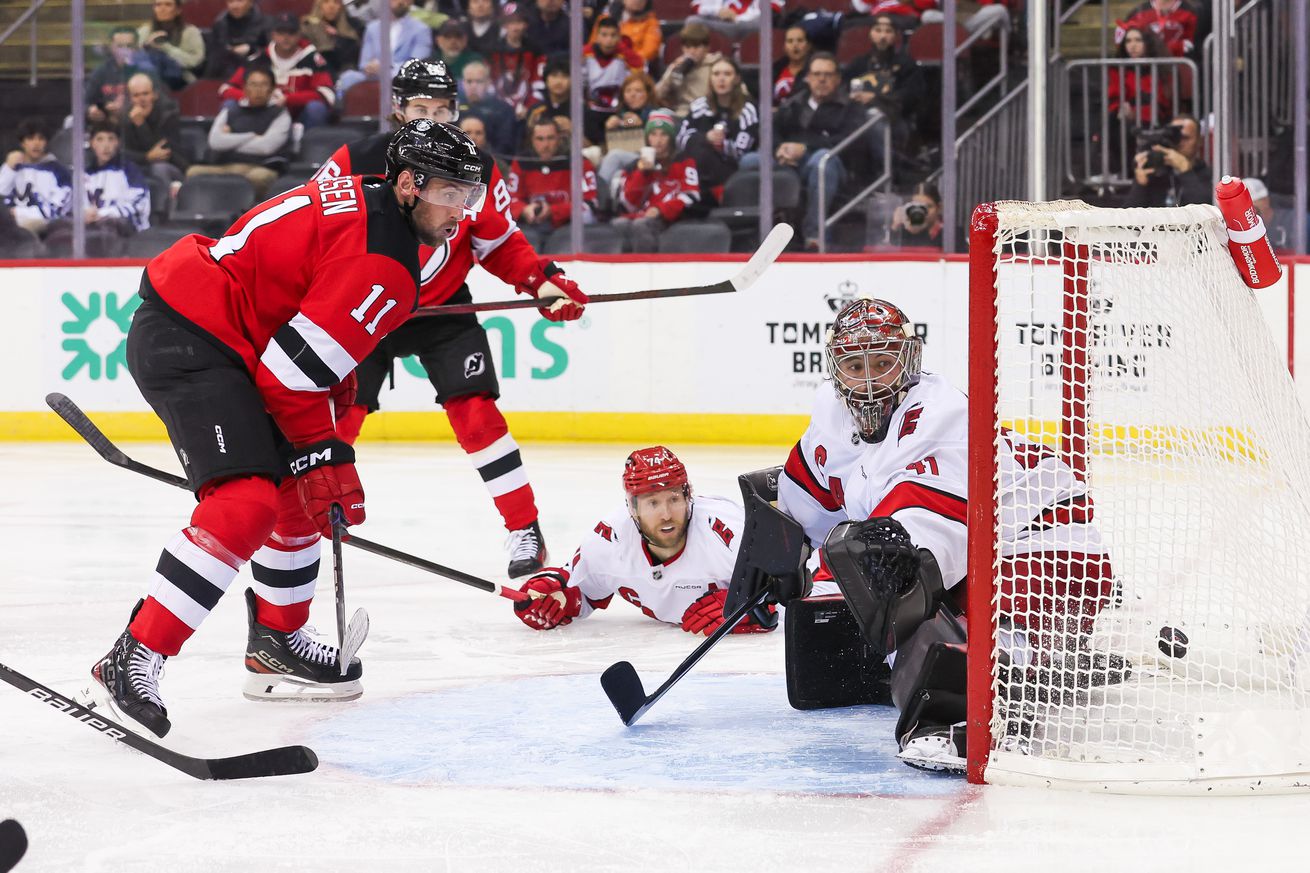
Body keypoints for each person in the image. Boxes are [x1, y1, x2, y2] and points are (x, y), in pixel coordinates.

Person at [87, 119, 483, 738]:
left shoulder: (370, 203)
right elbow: (288, 380)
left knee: (297, 498)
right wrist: (327, 455)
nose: (462, 210)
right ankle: (134, 655)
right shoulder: (388, 261)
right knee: (245, 504)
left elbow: (315, 341)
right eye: (451, 193)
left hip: (231, 336)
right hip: (194, 338)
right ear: (408, 183)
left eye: (469, 194)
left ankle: (278, 640)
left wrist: (319, 457)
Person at [774, 297, 1116, 772]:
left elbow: (909, 557)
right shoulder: (832, 416)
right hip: (985, 547)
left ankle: (966, 709)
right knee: (872, 576)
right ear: (836, 368)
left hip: (1051, 549)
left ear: (908, 360)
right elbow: (801, 501)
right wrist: (771, 560)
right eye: (855, 364)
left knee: (890, 578)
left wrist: (843, 568)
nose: (869, 378)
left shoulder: (940, 414)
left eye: (883, 361)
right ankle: (1046, 661)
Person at [312, 60, 590, 580]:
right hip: (366, 304)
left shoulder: (476, 164)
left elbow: (498, 241)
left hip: (441, 306)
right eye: (421, 109)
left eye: (443, 110)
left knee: (477, 412)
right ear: (398, 109)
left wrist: (542, 280)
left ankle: (524, 527)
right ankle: (311, 505)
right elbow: (316, 231)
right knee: (340, 417)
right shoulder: (358, 158)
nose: (434, 119)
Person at [513, 447, 776, 635]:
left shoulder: (729, 532)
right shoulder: (609, 540)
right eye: (653, 503)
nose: (666, 514)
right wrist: (553, 598)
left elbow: (802, 585)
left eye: (674, 498)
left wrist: (757, 608)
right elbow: (578, 591)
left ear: (688, 497)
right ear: (633, 508)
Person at [755, 52, 868, 250]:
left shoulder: (851, 108)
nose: (821, 79)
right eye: (816, 74)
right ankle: (758, 233)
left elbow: (851, 142)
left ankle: (815, 234)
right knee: (749, 161)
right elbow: (769, 131)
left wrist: (806, 148)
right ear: (807, 78)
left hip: (836, 164)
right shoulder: (794, 103)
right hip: (790, 161)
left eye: (828, 74)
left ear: (838, 79)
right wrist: (778, 149)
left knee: (821, 160)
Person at [217, 13, 336, 129]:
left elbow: (327, 94)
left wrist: (288, 100)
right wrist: (253, 98)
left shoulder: (312, 59)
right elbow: (225, 89)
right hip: (261, 117)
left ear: (299, 34)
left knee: (316, 109)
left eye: (291, 33)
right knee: (229, 105)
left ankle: (313, 147)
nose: (285, 37)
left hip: (299, 118)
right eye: (281, 32)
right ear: (273, 35)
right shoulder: (259, 59)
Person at [190, 66, 292, 198]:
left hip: (260, 167)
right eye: (253, 85)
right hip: (225, 165)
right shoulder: (230, 110)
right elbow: (215, 142)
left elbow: (265, 147)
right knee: (193, 172)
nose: (258, 90)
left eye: (263, 85)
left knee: (259, 177)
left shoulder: (280, 113)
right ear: (244, 88)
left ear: (272, 89)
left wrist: (230, 139)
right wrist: (251, 136)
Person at [47, 122, 150, 250]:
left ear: (117, 143)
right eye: (100, 139)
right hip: (88, 225)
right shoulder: (81, 174)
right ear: (92, 143)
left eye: (111, 139)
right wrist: (82, 214)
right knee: (58, 226)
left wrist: (101, 213)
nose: (106, 145)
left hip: (119, 227)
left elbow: (139, 203)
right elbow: (64, 205)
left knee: (109, 226)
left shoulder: (129, 170)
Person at [612, 109, 701, 253]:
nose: (658, 141)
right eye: (653, 135)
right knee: (618, 224)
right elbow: (627, 205)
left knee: (641, 226)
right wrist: (642, 173)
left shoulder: (684, 162)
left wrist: (660, 209)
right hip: (640, 217)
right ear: (647, 138)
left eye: (663, 135)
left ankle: (644, 269)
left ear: (671, 138)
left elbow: (692, 196)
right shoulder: (634, 166)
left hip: (669, 217)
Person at [676, 56, 759, 209]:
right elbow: (680, 139)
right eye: (716, 74)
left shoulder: (747, 109)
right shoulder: (699, 106)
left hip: (729, 167)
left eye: (727, 74)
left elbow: (742, 151)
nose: (721, 79)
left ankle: (693, 197)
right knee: (696, 148)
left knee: (701, 151)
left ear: (737, 79)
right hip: (698, 164)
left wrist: (722, 145)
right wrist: (705, 138)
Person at [843, 14, 924, 161]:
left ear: (895, 36)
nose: (883, 36)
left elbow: (911, 96)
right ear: (870, 34)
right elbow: (843, 89)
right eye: (878, 30)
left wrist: (876, 99)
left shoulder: (906, 64)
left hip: (895, 121)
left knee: (874, 115)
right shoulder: (858, 64)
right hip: (857, 118)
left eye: (888, 31)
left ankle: (887, 168)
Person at [507, 117, 597, 249]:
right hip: (531, 226)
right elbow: (510, 199)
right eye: (540, 139)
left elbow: (589, 204)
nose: (545, 145)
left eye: (550, 138)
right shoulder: (521, 163)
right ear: (532, 140)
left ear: (559, 139)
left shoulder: (579, 162)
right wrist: (524, 209)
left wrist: (553, 211)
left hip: (569, 227)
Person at [336, 0, 434, 100]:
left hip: (402, 75)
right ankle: (341, 113)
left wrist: (386, 67)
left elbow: (416, 64)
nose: (402, 2)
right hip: (374, 75)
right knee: (347, 77)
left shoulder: (421, 29)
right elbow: (364, 63)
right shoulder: (372, 28)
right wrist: (369, 67)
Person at [0, 119, 72, 236]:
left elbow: (58, 210)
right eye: (30, 139)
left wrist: (18, 213)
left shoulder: (59, 172)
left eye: (40, 139)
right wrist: (9, 169)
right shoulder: (12, 166)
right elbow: (1, 192)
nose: (36, 143)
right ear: (22, 143)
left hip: (47, 228)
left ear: (46, 142)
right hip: (10, 227)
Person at [1124, 112, 1210, 208]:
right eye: (1173, 137)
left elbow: (1206, 211)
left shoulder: (1209, 175)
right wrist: (1140, 185)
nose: (1179, 142)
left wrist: (1186, 172)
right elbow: (1129, 216)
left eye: (1185, 138)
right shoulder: (1156, 171)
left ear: (1199, 141)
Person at [582, 16, 643, 147]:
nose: (608, 40)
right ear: (597, 36)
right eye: (604, 35)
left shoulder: (625, 56)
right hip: (592, 112)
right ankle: (596, 148)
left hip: (620, 113)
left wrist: (623, 49)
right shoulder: (585, 55)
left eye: (613, 35)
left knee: (635, 121)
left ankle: (627, 151)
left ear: (619, 37)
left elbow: (640, 68)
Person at [120, 73, 190, 186]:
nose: (141, 99)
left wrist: (141, 125)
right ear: (130, 98)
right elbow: (122, 153)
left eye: (145, 93)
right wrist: (146, 157)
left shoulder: (168, 113)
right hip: (141, 164)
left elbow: (163, 152)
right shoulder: (126, 116)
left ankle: (166, 203)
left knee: (159, 168)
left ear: (154, 94)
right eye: (136, 95)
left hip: (173, 166)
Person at [86, 27, 159, 125]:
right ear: (112, 47)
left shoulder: (148, 72)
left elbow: (159, 103)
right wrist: (94, 110)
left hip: (140, 124)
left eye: (129, 46)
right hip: (108, 126)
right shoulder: (101, 72)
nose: (125, 50)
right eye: (120, 46)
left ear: (136, 48)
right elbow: (86, 102)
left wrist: (130, 107)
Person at [485, 9, 544, 125]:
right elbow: (488, 84)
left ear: (525, 25)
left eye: (519, 22)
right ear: (504, 25)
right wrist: (495, 107)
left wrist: (529, 107)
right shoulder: (491, 52)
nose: (515, 27)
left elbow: (538, 84)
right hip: (497, 109)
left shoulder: (535, 52)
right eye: (511, 22)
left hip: (526, 110)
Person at [597, 70, 655, 186]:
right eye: (628, 91)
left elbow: (631, 121)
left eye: (638, 91)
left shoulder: (654, 113)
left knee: (615, 156)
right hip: (624, 154)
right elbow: (625, 122)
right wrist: (609, 127)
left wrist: (639, 123)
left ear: (648, 94)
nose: (632, 95)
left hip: (645, 156)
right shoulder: (620, 114)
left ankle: (598, 194)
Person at [654, 21, 719, 119]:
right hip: (683, 114)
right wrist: (672, 72)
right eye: (687, 47)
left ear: (707, 48)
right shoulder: (677, 66)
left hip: (709, 113)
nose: (692, 51)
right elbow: (657, 95)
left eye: (696, 47)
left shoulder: (716, 65)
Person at [138, 0, 206, 90]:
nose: (162, 9)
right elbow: (135, 60)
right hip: (149, 80)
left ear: (178, 10)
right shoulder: (144, 31)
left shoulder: (190, 32)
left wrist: (166, 48)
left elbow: (194, 61)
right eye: (158, 5)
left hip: (182, 81)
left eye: (168, 5)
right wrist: (147, 48)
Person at [458, 60, 518, 157]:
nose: (473, 86)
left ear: (488, 83)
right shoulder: (454, 109)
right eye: (469, 81)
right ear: (463, 83)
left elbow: (506, 144)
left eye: (479, 81)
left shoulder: (503, 110)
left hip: (494, 161)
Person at [204, 0, 269, 81]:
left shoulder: (265, 24)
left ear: (250, 2)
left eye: (240, 1)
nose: (235, 6)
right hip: (226, 73)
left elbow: (271, 52)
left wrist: (251, 49)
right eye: (230, 1)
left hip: (256, 72)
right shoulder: (220, 24)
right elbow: (214, 57)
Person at [591, 0, 662, 71]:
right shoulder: (604, 19)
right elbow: (593, 46)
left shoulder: (651, 22)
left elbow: (649, 52)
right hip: (602, 69)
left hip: (635, 71)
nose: (638, 1)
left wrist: (625, 62)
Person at [1118, 0, 1200, 59]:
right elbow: (1123, 43)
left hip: (1178, 71)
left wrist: (1169, 49)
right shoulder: (1138, 13)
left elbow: (1194, 44)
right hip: (1146, 72)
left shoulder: (1191, 12)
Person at [301, 0, 363, 76]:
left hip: (349, 73)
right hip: (319, 74)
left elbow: (357, 55)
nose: (331, 7)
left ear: (341, 6)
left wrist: (338, 37)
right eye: (326, 2)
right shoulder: (308, 26)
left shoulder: (353, 25)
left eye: (336, 2)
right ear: (319, 5)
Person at [523, 57, 573, 150]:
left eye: (565, 76)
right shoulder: (536, 110)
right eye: (554, 76)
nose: (559, 81)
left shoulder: (580, 109)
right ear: (546, 80)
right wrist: (530, 129)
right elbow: (525, 146)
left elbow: (593, 147)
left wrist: (573, 130)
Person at [687, 0, 785, 44]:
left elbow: (775, 7)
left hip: (750, 24)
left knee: (764, 22)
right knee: (692, 21)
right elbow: (697, 6)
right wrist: (718, 11)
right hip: (720, 23)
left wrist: (739, 18)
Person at [430, 19, 486, 83]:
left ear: (465, 40)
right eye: (448, 37)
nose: (453, 41)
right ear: (438, 40)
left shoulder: (474, 61)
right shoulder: (429, 63)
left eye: (458, 36)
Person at [889, 182, 941, 248]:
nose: (923, 212)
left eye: (928, 206)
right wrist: (895, 226)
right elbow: (893, 249)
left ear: (939, 207)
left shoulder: (951, 234)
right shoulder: (906, 232)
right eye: (918, 207)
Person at [772, 24, 811, 103]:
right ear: (784, 47)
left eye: (800, 40)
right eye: (790, 41)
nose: (795, 45)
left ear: (808, 45)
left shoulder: (815, 70)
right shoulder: (774, 71)